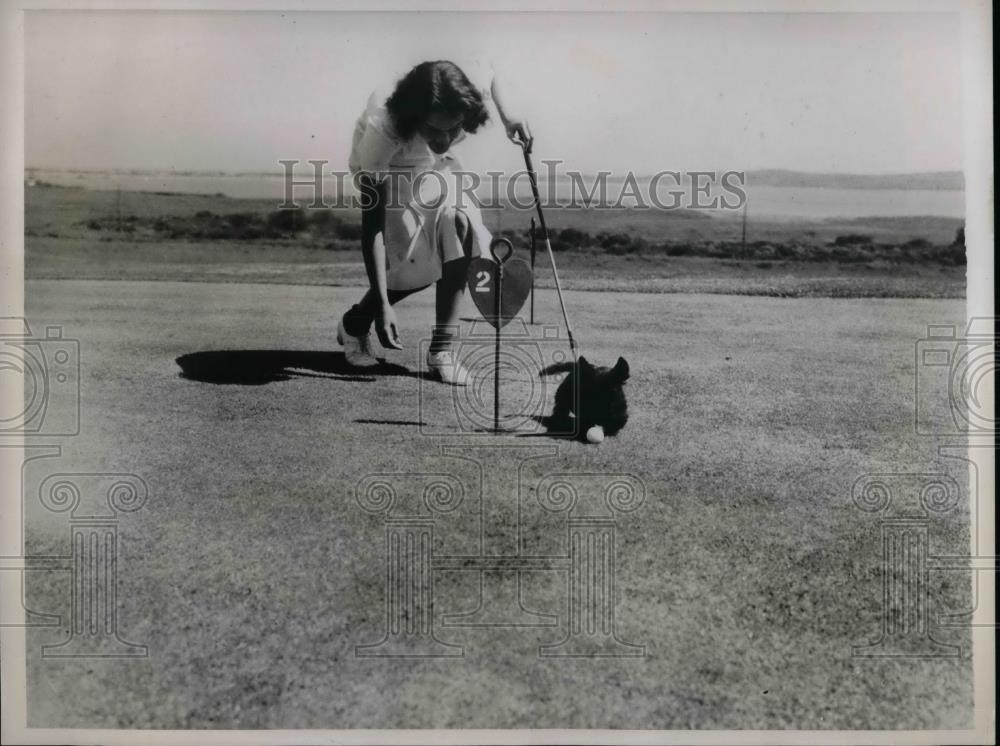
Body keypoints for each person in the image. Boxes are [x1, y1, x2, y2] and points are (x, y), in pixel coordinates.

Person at [337, 59, 531, 384]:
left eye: (453, 129)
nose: (444, 138)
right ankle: (355, 325)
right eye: (434, 129)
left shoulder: (466, 95)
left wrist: (510, 116)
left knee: (460, 229)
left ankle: (441, 350)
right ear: (416, 117)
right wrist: (383, 304)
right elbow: (373, 229)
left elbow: (492, 72)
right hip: (392, 168)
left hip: (434, 166)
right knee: (416, 270)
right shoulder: (384, 129)